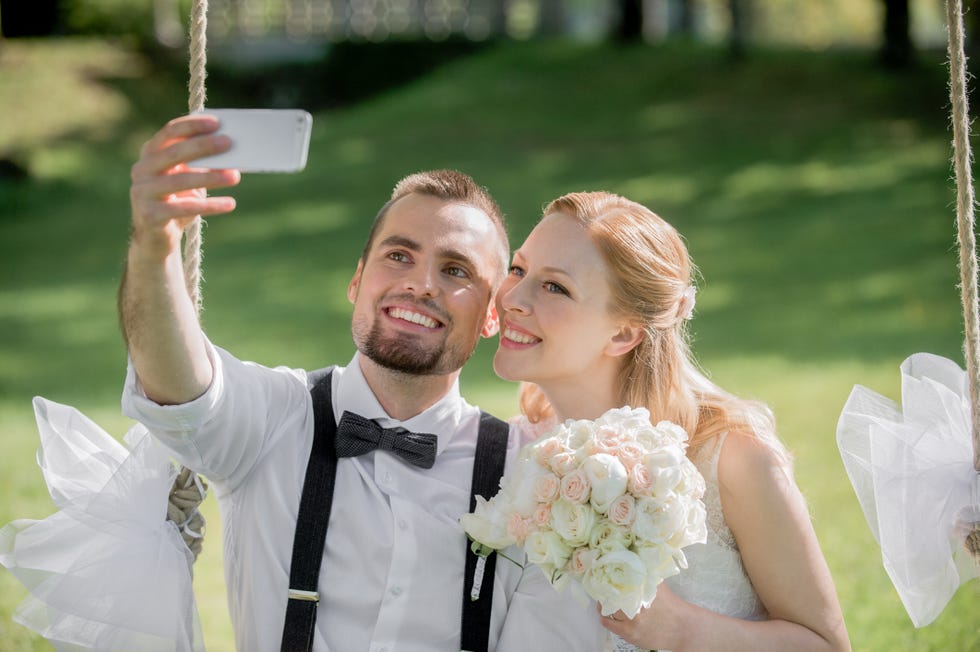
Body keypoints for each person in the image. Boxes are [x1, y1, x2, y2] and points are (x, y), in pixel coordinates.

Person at [118, 114, 607, 651]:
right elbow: (176, 380)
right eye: (399, 256)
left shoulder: (532, 475)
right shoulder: (274, 418)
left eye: (456, 271)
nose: (420, 284)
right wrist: (153, 246)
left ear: (494, 316)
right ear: (357, 279)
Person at [493, 191, 851, 651]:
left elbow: (826, 645)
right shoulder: (518, 448)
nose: (512, 298)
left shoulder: (732, 457)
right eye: (519, 269)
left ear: (623, 333)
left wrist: (682, 629)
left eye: (554, 287)